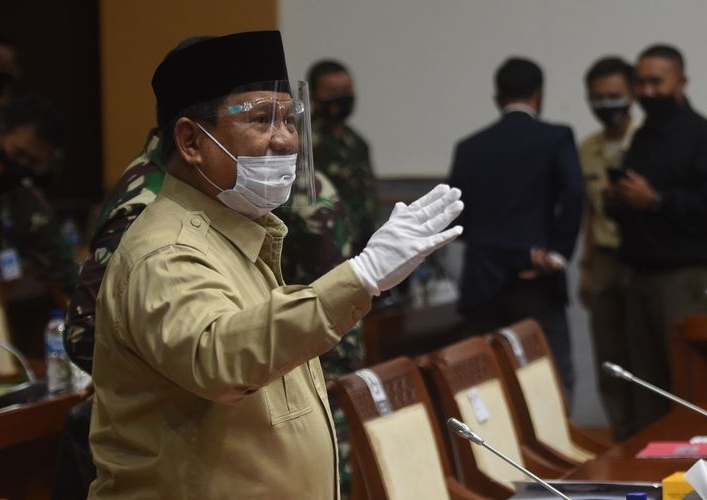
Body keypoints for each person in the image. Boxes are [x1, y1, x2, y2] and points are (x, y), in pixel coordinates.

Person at [88, 31, 463, 499]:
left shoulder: (241, 234)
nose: (285, 140)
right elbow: (219, 357)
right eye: (262, 119)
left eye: (289, 119)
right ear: (190, 141)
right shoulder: (167, 249)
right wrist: (361, 276)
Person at [447, 57, 583, 400]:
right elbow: (575, 193)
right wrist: (557, 253)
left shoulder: (470, 147)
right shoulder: (555, 137)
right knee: (550, 383)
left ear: (497, 97)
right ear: (540, 94)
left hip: (481, 280)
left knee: (485, 385)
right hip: (535, 275)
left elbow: (455, 212)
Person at [606, 44, 707, 434]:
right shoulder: (643, 136)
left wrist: (657, 201)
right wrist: (619, 199)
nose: (647, 91)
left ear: (681, 82)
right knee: (645, 387)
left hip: (685, 279)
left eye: (657, 81)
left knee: (688, 382)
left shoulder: (703, 136)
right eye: (641, 82)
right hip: (639, 276)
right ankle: (652, 473)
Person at [578, 56, 638, 440]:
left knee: (647, 354)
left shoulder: (649, 138)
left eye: (614, 95)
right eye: (598, 98)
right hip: (603, 260)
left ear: (631, 94)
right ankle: (622, 438)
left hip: (645, 261)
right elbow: (588, 209)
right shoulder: (588, 148)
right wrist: (585, 267)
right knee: (610, 356)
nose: (607, 104)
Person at [0, 95, 76, 294]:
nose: (22, 165)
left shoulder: (26, 196)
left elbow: (62, 265)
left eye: (33, 161)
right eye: (18, 153)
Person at [309, 60, 378, 255]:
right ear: (314, 97)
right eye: (332, 91)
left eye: (347, 90)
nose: (342, 97)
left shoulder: (357, 143)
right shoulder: (300, 141)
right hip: (320, 249)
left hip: (362, 249)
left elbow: (369, 198)